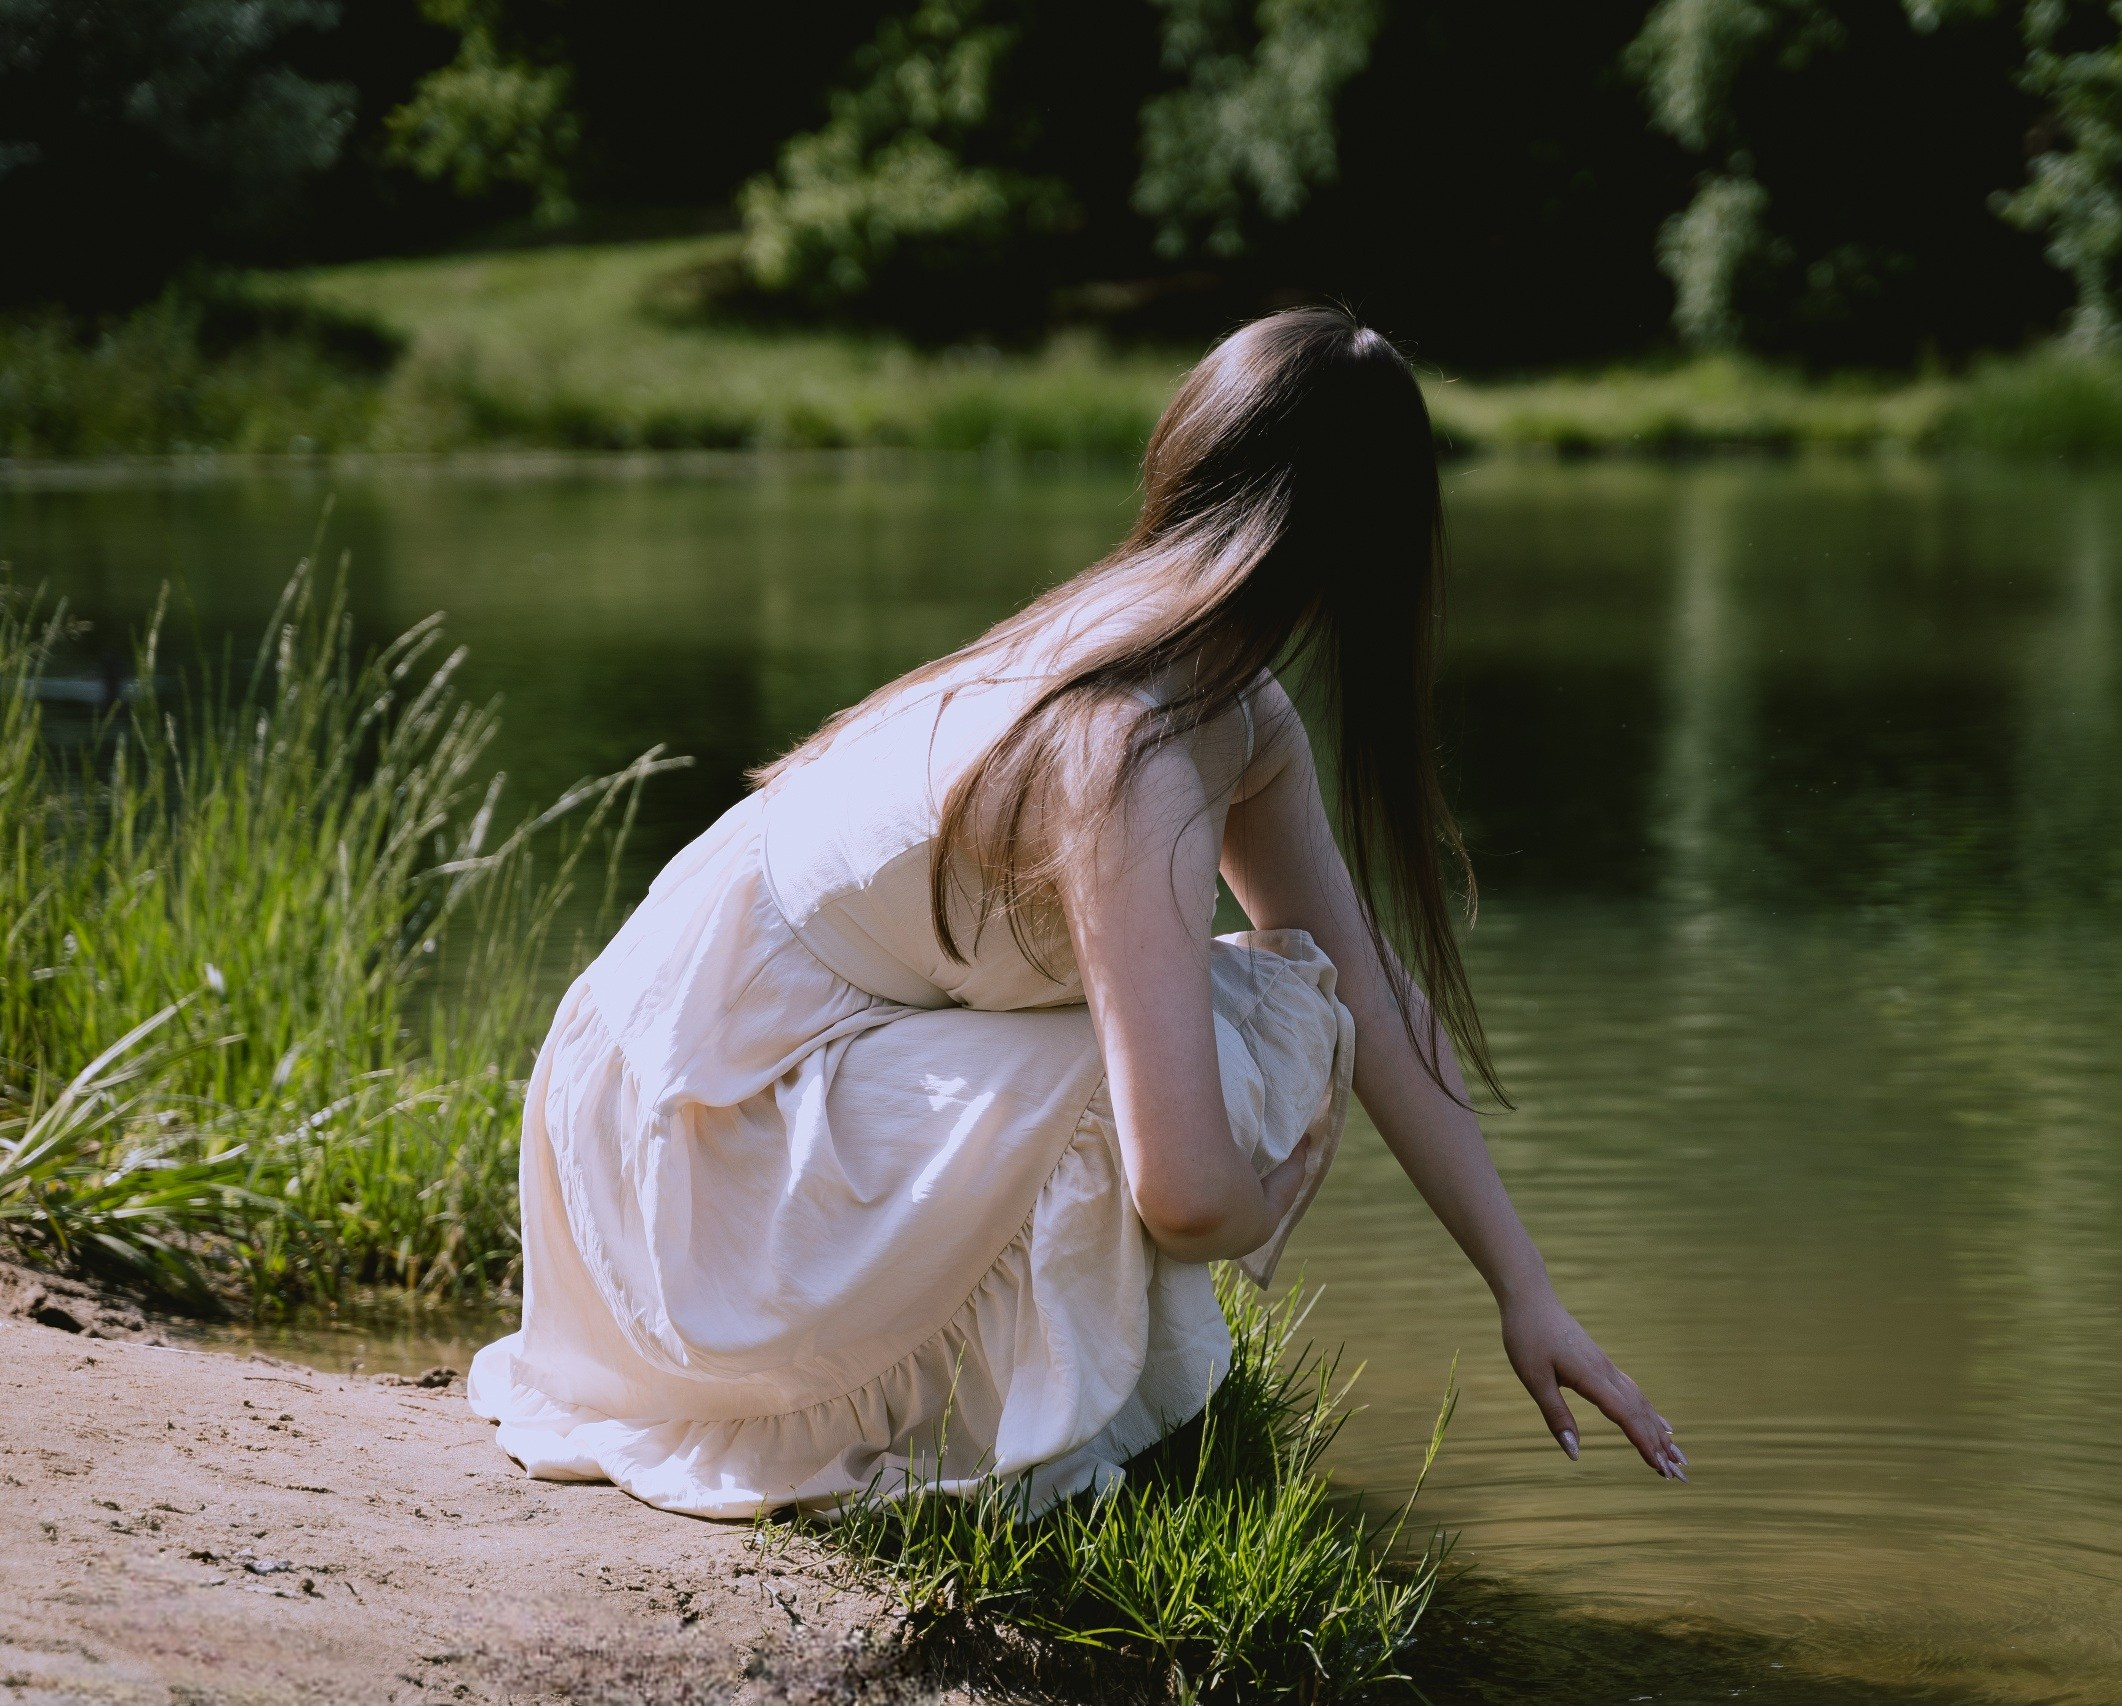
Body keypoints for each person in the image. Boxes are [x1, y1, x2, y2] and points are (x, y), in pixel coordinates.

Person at [467, 306, 1685, 1518]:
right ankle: (992, 1437)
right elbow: (1188, 1189)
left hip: (657, 1121)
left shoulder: (1202, 696)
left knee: (1275, 999)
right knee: (1238, 1030)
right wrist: (1269, 1189)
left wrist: (1525, 1289)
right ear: (1369, 553)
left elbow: (1369, 985)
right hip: (690, 1166)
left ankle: (1031, 1408)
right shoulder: (1131, 746)